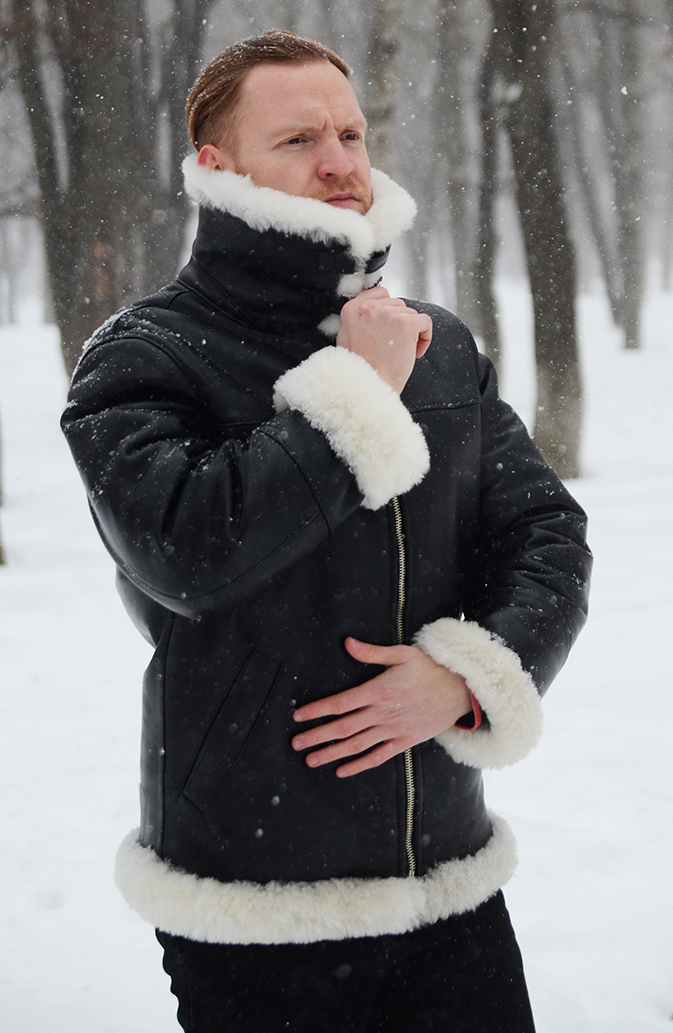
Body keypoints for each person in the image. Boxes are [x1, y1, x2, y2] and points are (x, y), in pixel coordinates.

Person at [61, 29, 592, 1033]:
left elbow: (545, 534)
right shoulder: (143, 355)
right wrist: (354, 391)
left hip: (448, 882)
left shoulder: (438, 344)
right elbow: (189, 553)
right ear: (219, 167)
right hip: (255, 903)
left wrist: (468, 674)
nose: (340, 162)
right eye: (299, 139)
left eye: (350, 133)